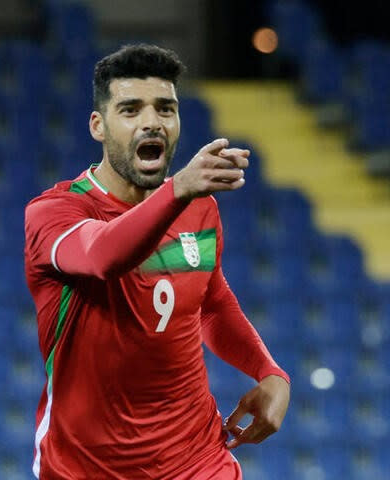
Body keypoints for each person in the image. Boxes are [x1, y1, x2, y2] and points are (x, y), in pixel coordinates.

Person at [24, 44, 290, 479]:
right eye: (130, 110)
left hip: (196, 460)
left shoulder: (197, 207)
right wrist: (179, 190)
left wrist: (270, 372)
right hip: (86, 468)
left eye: (165, 109)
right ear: (99, 125)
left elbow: (210, 301)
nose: (152, 122)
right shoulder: (55, 213)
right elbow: (102, 255)